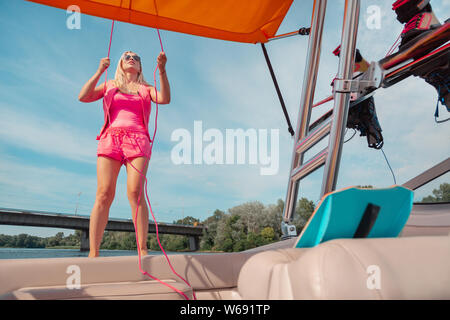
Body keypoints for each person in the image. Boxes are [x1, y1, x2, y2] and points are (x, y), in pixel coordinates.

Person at [78, 51, 170, 257]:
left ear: (140, 67)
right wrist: (100, 71)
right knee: (104, 193)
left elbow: (164, 98)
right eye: (127, 56)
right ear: (120, 63)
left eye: (136, 57)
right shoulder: (110, 85)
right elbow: (83, 96)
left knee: (135, 192)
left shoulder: (146, 88)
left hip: (138, 140)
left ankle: (143, 250)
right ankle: (93, 253)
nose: (131, 58)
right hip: (110, 139)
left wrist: (162, 70)